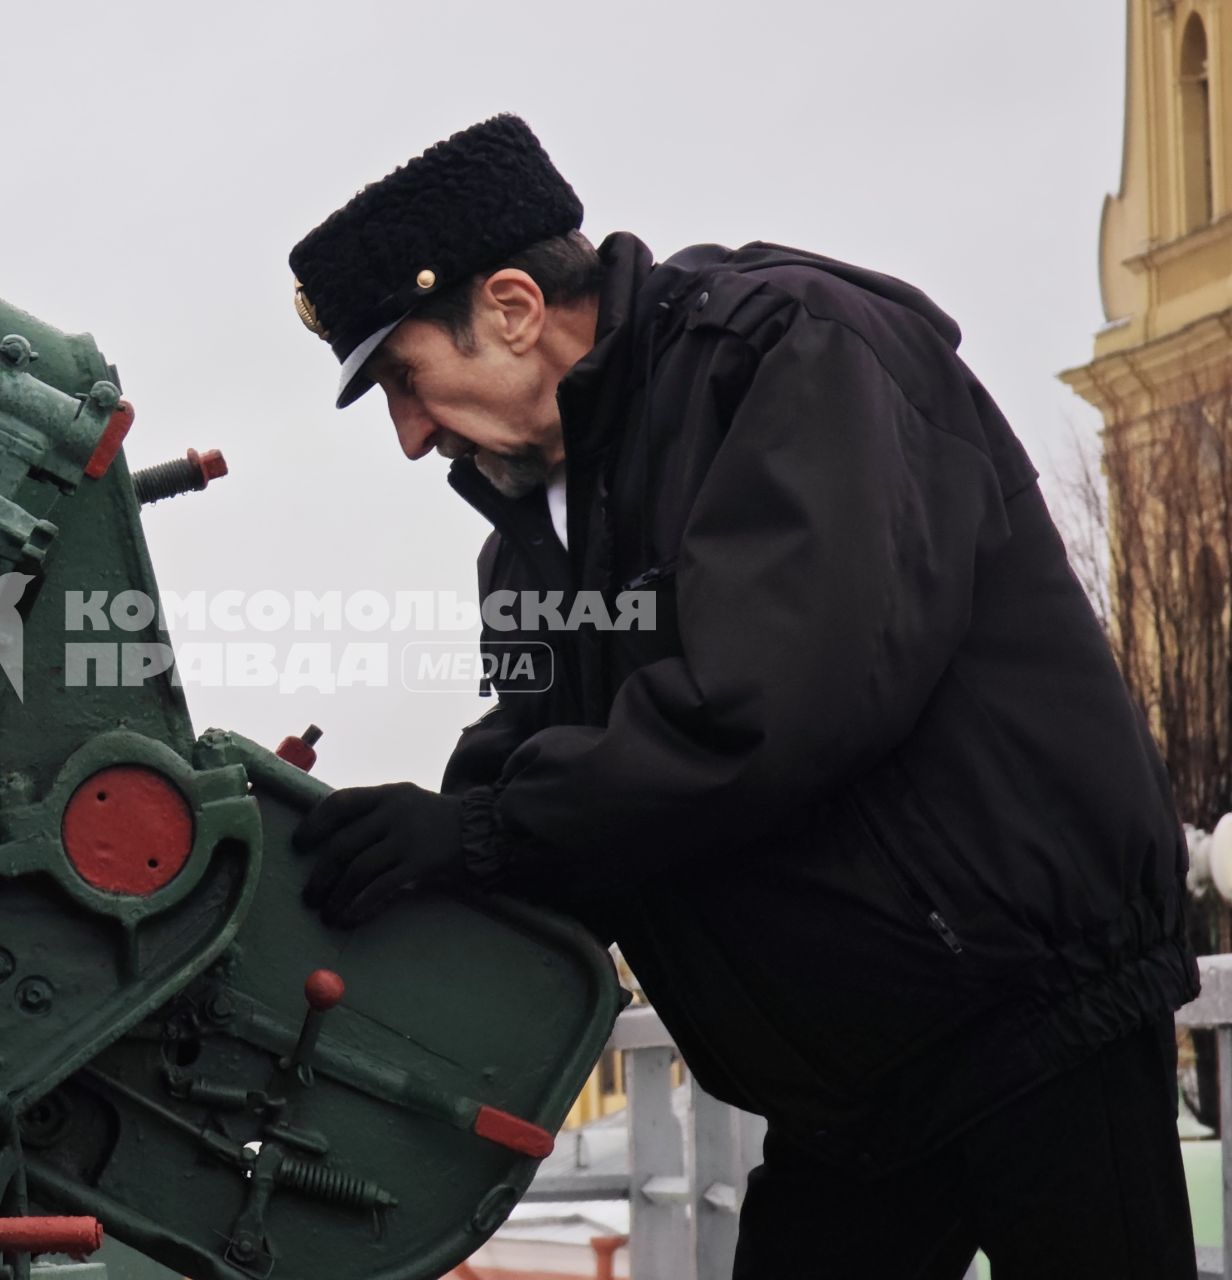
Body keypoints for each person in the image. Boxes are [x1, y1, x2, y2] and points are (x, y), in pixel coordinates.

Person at [286, 114, 1201, 1278]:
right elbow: (523, 768)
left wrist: (477, 830)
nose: (411, 439)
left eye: (406, 381)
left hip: (1028, 1018)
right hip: (847, 1083)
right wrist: (402, 852)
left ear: (513, 306)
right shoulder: (525, 543)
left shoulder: (785, 352)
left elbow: (772, 700)